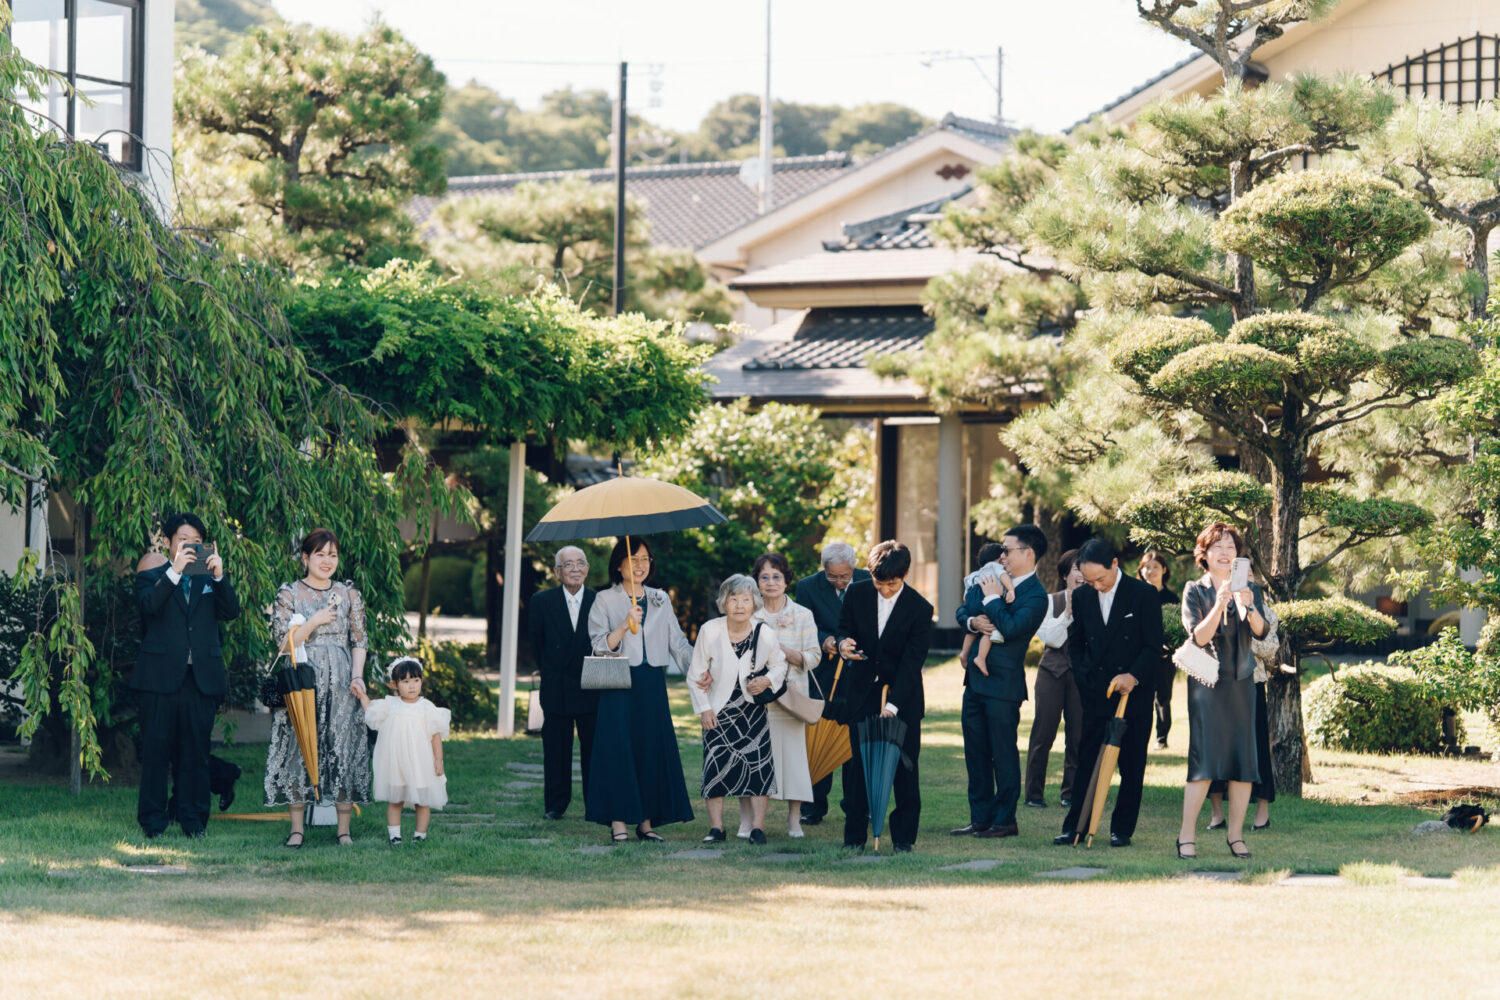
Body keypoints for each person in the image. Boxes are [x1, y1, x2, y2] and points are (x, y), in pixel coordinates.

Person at [132, 513, 241, 839]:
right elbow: (149, 608)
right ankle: (153, 822)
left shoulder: (209, 578)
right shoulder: (152, 575)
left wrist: (220, 577)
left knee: (196, 753)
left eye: (196, 541)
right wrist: (175, 572)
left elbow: (231, 612)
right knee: (156, 751)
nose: (190, 546)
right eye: (183, 540)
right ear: (168, 542)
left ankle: (194, 822)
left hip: (200, 678)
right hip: (159, 678)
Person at [264, 528, 370, 848]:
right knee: (299, 747)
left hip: (341, 681)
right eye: (320, 554)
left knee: (342, 747)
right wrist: (313, 622)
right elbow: (283, 644)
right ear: (305, 557)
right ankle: (297, 830)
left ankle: (344, 831)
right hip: (301, 679)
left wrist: (357, 676)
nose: (327, 561)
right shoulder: (290, 593)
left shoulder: (349, 594)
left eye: (332, 555)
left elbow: (359, 640)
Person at [1055, 538, 1163, 849]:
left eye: (1100, 579)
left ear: (1115, 564)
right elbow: (1076, 643)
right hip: (1095, 693)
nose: (1096, 586)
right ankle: (1075, 827)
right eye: (1089, 581)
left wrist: (1133, 676)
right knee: (1087, 760)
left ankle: (1121, 829)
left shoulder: (1143, 594)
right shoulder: (1083, 596)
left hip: (1134, 696)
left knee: (1132, 764)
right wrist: (1084, 677)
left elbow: (1153, 646)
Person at [586, 536, 695, 843]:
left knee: (650, 749)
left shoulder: (661, 598)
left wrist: (701, 669)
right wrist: (624, 624)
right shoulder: (604, 599)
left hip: (651, 684)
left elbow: (678, 643)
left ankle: (646, 823)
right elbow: (599, 646)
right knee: (619, 750)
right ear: (619, 565)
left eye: (645, 559)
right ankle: (618, 822)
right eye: (633, 559)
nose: (640, 565)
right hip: (618, 682)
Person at [1176, 523, 1270, 861]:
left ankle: (1236, 836)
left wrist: (1249, 605)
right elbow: (1199, 637)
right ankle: (1186, 836)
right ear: (1204, 554)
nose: (1225, 553)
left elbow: (1261, 632)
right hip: (1207, 685)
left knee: (1243, 762)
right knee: (1204, 760)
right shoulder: (1194, 590)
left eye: (1231, 547)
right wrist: (1219, 603)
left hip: (1242, 681)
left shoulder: (1251, 589)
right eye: (1217, 547)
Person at [833, 540, 932, 851]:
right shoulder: (857, 593)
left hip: (902, 697)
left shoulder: (920, 608)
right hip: (862, 694)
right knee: (857, 769)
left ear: (905, 575)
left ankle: (903, 839)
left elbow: (912, 664)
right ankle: (854, 838)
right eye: (879, 584)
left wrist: (892, 705)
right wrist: (843, 644)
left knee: (904, 768)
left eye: (892, 584)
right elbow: (843, 628)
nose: (885, 590)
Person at [951, 526, 1049, 839]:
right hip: (974, 682)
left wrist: (993, 599)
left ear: (1028, 553)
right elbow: (964, 609)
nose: (1001, 555)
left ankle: (1005, 820)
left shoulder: (1036, 596)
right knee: (975, 752)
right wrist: (972, 621)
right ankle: (980, 818)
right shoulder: (990, 576)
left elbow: (1011, 628)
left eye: (1007, 550)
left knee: (1003, 754)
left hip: (1004, 686)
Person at [689, 574, 788, 845]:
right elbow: (695, 674)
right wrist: (704, 709)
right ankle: (716, 828)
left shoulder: (764, 632)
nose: (740, 605)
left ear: (754, 602)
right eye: (733, 599)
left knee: (758, 769)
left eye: (745, 599)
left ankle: (757, 829)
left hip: (752, 710)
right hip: (718, 711)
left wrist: (766, 680)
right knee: (715, 768)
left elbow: (780, 664)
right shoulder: (710, 630)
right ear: (724, 602)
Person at [793, 542, 871, 826]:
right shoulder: (807, 587)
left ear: (854, 568)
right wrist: (823, 641)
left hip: (860, 672)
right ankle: (812, 807)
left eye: (844, 576)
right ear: (823, 568)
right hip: (823, 674)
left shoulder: (869, 580)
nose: (839, 581)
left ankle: (857, 806)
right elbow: (802, 626)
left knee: (856, 741)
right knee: (819, 738)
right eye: (832, 576)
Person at [746, 552, 820, 838]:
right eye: (764, 577)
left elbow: (814, 657)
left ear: (786, 580)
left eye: (776, 576)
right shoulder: (750, 614)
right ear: (757, 582)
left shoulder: (803, 615)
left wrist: (788, 653)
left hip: (791, 699)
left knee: (793, 761)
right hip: (756, 699)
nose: (771, 582)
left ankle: (794, 820)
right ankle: (749, 822)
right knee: (753, 759)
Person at [526, 546, 597, 820]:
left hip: (591, 686)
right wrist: (552, 671)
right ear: (557, 572)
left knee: (594, 749)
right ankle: (555, 805)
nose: (575, 569)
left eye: (580, 563)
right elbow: (536, 644)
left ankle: (596, 803)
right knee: (556, 750)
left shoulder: (598, 600)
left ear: (587, 568)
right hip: (556, 687)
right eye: (568, 564)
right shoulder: (541, 601)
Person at [353, 656, 449, 845]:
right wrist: (362, 696)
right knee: (395, 799)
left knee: (422, 800)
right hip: (396, 762)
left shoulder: (426, 707)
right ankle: (394, 836)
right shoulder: (390, 705)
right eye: (405, 682)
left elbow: (435, 735)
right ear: (394, 684)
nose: (412, 686)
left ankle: (420, 835)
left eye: (416, 680)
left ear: (421, 681)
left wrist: (438, 760)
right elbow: (371, 711)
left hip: (420, 762)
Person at [1206, 602, 1279, 833]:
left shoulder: (1265, 612)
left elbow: (1270, 648)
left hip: (1252, 683)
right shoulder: (1215, 602)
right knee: (1216, 748)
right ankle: (1217, 813)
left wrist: (1245, 631)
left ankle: (1262, 813)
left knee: (1257, 747)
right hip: (1218, 684)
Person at [1023, 548, 1084, 810]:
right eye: (1076, 568)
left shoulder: (1097, 603)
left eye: (1085, 568)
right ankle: (1033, 793)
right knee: (1043, 733)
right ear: (1065, 574)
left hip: (1081, 676)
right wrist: (1067, 612)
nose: (1081, 574)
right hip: (1051, 673)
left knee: (1078, 736)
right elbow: (1051, 639)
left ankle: (1070, 793)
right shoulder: (1049, 602)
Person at [1137, 550, 1180, 749]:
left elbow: (1179, 628)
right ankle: (1139, 737)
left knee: (1163, 697)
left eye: (1155, 567)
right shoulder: (1135, 595)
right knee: (1141, 696)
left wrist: (1168, 646)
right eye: (1147, 567)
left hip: (1165, 657)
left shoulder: (1172, 598)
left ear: (1164, 569)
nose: (1151, 571)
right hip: (1140, 655)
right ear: (1141, 570)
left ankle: (1162, 738)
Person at [955, 542, 1007, 683]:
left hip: (972, 598)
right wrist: (1010, 590)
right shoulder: (996, 567)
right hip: (986, 597)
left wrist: (970, 605)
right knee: (988, 626)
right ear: (998, 557)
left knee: (974, 628)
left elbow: (966, 594)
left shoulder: (975, 574)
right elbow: (1003, 578)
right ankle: (981, 657)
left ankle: (964, 653)